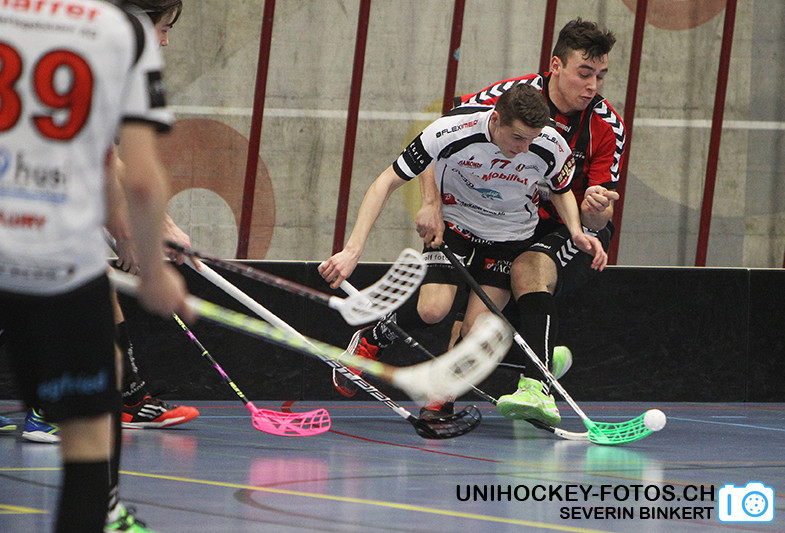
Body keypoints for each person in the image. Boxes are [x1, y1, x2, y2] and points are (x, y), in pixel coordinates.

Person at [0, 3, 192, 533]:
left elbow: (104, 160)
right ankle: (104, 509)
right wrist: (154, 272)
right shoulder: (120, 30)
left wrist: (124, 229)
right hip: (55, 262)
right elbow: (142, 178)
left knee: (107, 358)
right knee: (88, 441)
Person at [319, 84, 607, 420]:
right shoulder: (452, 129)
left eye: (531, 140)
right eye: (517, 137)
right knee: (432, 310)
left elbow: (561, 189)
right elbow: (386, 182)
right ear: (496, 119)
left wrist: (576, 231)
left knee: (473, 333)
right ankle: (372, 339)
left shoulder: (549, 144)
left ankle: (443, 393)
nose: (524, 149)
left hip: (510, 237)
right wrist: (352, 250)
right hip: (454, 225)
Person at [441, 18, 625, 425]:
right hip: (507, 225)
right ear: (556, 65)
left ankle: (537, 387)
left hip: (573, 227)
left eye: (600, 76)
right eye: (584, 73)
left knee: (529, 268)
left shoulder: (606, 125)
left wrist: (595, 207)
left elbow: (602, 215)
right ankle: (534, 357)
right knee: (469, 328)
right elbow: (448, 127)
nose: (593, 86)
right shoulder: (512, 96)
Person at [105, 0, 200, 431]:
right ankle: (54, 409)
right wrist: (141, 246)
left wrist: (151, 228)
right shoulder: (123, 61)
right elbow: (129, 171)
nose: (164, 41)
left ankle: (126, 397)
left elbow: (104, 158)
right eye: (163, 28)